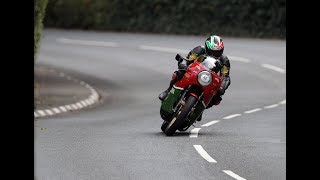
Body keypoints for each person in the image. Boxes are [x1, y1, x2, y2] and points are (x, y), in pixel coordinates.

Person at [158, 35, 231, 121]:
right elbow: (188, 59)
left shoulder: (224, 60)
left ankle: (199, 110)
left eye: (218, 52)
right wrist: (183, 64)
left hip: (209, 80)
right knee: (179, 73)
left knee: (217, 97)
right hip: (194, 72)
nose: (215, 54)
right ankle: (167, 91)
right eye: (212, 51)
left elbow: (225, 76)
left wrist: (222, 87)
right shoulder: (199, 50)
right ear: (207, 47)